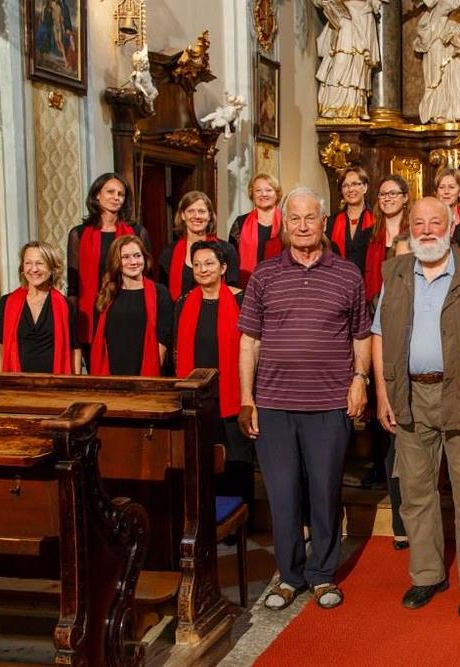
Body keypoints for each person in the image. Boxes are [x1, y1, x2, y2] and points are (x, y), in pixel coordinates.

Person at [371, 196, 460, 618]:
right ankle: (427, 574)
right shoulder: (394, 273)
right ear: (409, 229)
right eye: (419, 223)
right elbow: (379, 335)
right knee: (415, 492)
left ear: (451, 227)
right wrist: (383, 393)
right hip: (410, 396)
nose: (427, 230)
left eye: (436, 222)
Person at [238, 187, 372, 611]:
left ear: (323, 221)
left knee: (325, 491)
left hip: (329, 404)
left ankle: (322, 574)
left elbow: (361, 335)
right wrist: (246, 398)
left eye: (310, 217)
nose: (302, 226)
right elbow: (249, 341)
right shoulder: (264, 275)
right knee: (282, 496)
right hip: (274, 405)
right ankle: (290, 576)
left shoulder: (348, 275)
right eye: (294, 218)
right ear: (284, 224)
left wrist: (360, 379)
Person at [174, 240, 253, 505]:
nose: (203, 269)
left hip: (233, 395)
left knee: (236, 461)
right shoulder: (183, 303)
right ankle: (208, 516)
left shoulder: (242, 299)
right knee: (202, 461)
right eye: (197, 265)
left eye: (209, 263)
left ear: (223, 267)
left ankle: (239, 517)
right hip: (199, 398)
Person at [365, 174, 412, 550]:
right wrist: (381, 391)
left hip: (428, 383)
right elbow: (377, 344)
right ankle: (400, 523)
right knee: (395, 455)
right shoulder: (383, 299)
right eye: (399, 260)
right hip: (396, 384)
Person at [67, 173, 151, 364]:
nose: (116, 197)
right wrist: (74, 325)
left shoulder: (138, 232)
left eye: (121, 194)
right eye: (110, 192)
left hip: (128, 312)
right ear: (97, 194)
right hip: (91, 316)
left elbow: (147, 278)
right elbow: (73, 286)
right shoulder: (79, 234)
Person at [90, 235, 173, 376]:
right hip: (111, 374)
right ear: (116, 261)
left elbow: (163, 340)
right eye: (126, 257)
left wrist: (147, 380)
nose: (133, 262)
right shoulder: (106, 294)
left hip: (146, 374)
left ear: (144, 258)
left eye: (137, 256)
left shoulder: (160, 293)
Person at [0, 241, 80, 374]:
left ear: (52, 268)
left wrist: (75, 383)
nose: (34, 269)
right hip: (16, 382)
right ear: (22, 268)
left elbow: (74, 350)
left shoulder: (65, 305)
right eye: (28, 263)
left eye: (40, 263)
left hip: (55, 382)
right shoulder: (6, 302)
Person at [159, 191, 239, 301]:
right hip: (179, 310)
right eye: (190, 211)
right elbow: (163, 294)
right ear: (183, 215)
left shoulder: (227, 250)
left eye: (201, 211)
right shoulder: (168, 253)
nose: (196, 216)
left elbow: (233, 291)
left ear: (209, 215)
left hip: (218, 309)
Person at [313, 0, 384, 119]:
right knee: (342, 59)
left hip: (364, 15)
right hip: (345, 15)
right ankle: (333, 106)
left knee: (360, 64)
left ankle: (356, 107)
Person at [228, 173, 283, 289]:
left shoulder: (287, 221)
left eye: (268, 190)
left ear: (277, 194)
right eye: (258, 190)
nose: (263, 194)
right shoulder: (240, 222)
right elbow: (231, 258)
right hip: (247, 286)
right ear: (252, 194)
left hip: (281, 285)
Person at [327, 166, 376, 279]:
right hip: (338, 281)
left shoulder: (377, 221)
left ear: (365, 187)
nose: (350, 189)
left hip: (369, 282)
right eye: (345, 186)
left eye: (355, 184)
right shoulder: (331, 222)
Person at [434, 167, 460, 233]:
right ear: (436, 192)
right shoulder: (429, 216)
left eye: (451, 187)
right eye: (442, 187)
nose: (446, 191)